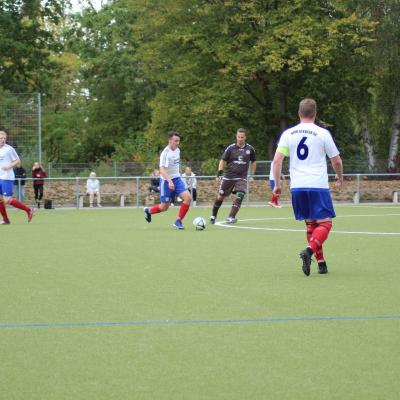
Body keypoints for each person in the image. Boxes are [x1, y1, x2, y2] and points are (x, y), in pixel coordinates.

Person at [272, 98, 343, 276]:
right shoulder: (322, 133)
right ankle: (310, 250)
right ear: (315, 114)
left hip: (298, 186)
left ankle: (321, 263)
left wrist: (277, 185)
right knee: (325, 223)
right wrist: (340, 177)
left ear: (299, 113)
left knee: (311, 225)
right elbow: (336, 160)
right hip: (317, 184)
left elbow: (277, 161)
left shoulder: (288, 134)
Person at [144, 131, 191, 229]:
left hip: (177, 179)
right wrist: (170, 181)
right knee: (164, 207)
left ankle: (178, 221)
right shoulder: (165, 153)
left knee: (188, 198)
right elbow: (162, 170)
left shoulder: (178, 150)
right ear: (170, 140)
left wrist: (175, 177)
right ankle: (148, 211)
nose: (178, 143)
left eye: (179, 141)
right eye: (176, 141)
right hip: (166, 181)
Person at [210, 128, 256, 224]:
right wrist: (219, 173)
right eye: (238, 137)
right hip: (229, 176)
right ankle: (213, 216)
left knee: (240, 195)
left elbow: (254, 161)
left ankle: (231, 217)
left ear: (245, 137)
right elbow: (223, 160)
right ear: (236, 137)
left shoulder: (250, 149)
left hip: (242, 177)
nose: (240, 139)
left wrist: (251, 175)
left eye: (242, 137)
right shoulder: (230, 148)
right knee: (220, 196)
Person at [0, 130, 33, 224]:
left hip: (6, 177)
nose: (3, 140)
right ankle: (6, 220)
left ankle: (28, 210)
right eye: (1, 138)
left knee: (6, 199)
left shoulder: (9, 149)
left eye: (4, 138)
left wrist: (9, 166)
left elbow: (17, 161)